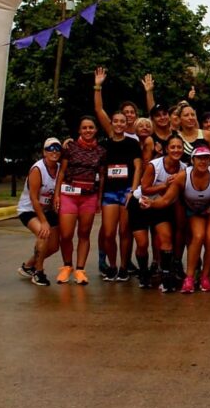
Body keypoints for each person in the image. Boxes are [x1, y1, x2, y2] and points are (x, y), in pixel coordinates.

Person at [141, 142, 210, 293]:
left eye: (206, 158)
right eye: (199, 158)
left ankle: (205, 278)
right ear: (192, 160)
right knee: (198, 236)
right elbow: (167, 199)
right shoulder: (182, 177)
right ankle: (189, 277)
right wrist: (151, 204)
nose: (203, 162)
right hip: (194, 210)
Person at [53, 116, 106, 285]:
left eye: (91, 127)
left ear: (96, 130)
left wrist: (99, 198)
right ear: (79, 130)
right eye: (84, 128)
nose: (88, 130)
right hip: (68, 195)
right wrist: (56, 194)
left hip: (89, 196)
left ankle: (80, 269)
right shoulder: (70, 147)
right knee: (66, 234)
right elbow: (61, 172)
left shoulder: (101, 151)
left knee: (84, 234)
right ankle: (67, 266)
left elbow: (102, 176)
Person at [128, 135, 184, 290]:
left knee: (166, 238)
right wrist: (164, 185)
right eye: (172, 147)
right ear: (166, 149)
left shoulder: (184, 168)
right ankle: (144, 273)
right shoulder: (155, 165)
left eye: (179, 147)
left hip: (160, 205)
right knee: (142, 243)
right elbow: (145, 188)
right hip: (141, 203)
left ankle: (166, 274)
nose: (176, 150)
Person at [98, 108, 142, 281]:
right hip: (109, 191)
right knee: (108, 233)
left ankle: (124, 266)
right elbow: (101, 172)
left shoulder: (132, 144)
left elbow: (138, 167)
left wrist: (133, 190)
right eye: (115, 121)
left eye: (122, 121)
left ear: (126, 124)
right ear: (111, 123)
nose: (118, 124)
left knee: (125, 232)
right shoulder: (104, 145)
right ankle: (112, 266)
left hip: (126, 191)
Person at [16, 137, 62, 287]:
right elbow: (34, 198)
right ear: (44, 152)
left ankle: (28, 266)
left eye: (57, 149)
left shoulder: (60, 168)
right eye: (50, 149)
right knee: (44, 233)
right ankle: (38, 272)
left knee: (54, 246)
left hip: (47, 210)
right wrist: (43, 221)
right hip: (29, 209)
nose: (54, 152)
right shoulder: (38, 169)